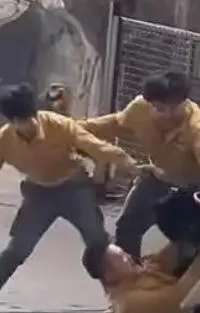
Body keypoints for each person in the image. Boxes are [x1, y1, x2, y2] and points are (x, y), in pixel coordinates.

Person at [0, 83, 149, 291]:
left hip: (74, 190)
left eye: (31, 116)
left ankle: (121, 298)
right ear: (12, 121)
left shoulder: (60, 125)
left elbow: (96, 146)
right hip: (38, 194)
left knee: (99, 245)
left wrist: (131, 165)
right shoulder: (4, 140)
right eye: (23, 121)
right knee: (17, 250)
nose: (31, 124)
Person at [79, 71, 200, 261]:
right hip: (157, 178)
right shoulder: (139, 109)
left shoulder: (199, 130)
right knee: (127, 228)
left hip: (190, 191)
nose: (166, 115)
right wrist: (75, 129)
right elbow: (115, 123)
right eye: (159, 108)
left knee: (188, 244)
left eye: (173, 108)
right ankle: (131, 282)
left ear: (185, 102)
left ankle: (180, 285)